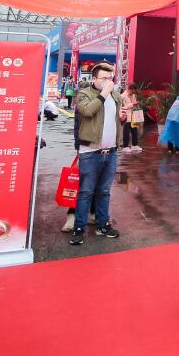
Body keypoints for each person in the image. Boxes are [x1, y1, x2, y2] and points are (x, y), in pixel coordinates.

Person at [69, 62, 122, 246]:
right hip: (90, 152)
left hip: (111, 151)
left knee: (104, 191)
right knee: (86, 192)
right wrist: (104, 93)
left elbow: (113, 121)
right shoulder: (84, 94)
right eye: (104, 78)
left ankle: (102, 224)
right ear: (94, 79)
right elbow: (88, 111)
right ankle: (79, 228)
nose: (108, 81)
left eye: (110, 78)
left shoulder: (116, 96)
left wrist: (122, 119)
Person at [120, 84, 142, 153]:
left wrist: (136, 104)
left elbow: (134, 103)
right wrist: (132, 104)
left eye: (134, 92)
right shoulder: (122, 96)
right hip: (126, 116)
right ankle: (125, 146)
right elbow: (122, 107)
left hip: (133, 116)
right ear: (129, 89)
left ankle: (135, 145)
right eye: (132, 92)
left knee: (134, 131)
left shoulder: (133, 95)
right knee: (126, 132)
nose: (133, 93)